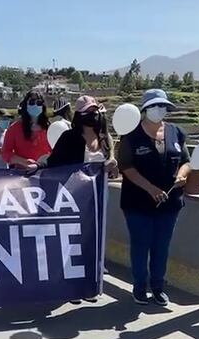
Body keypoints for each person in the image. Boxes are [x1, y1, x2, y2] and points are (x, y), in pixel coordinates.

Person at [118, 89, 191, 306]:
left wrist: (182, 174)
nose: (159, 110)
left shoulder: (176, 132)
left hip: (169, 202)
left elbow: (186, 161)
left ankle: (158, 287)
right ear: (145, 110)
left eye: (163, 107)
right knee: (141, 245)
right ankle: (140, 287)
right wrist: (150, 188)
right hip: (137, 203)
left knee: (162, 246)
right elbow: (126, 167)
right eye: (154, 107)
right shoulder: (131, 135)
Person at [47, 95, 118, 305]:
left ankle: (88, 286)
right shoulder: (69, 137)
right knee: (71, 242)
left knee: (91, 242)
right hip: (72, 198)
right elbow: (54, 164)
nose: (93, 116)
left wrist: (112, 164)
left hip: (97, 199)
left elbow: (111, 165)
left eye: (95, 112)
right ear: (79, 115)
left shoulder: (105, 138)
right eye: (88, 112)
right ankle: (69, 287)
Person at [2, 90, 52, 170]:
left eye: (39, 103)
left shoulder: (49, 128)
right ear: (26, 105)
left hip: (44, 174)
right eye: (32, 102)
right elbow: (5, 153)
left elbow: (55, 152)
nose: (35, 105)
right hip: (21, 175)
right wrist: (24, 162)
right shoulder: (14, 128)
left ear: (43, 106)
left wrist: (40, 164)